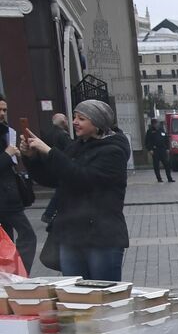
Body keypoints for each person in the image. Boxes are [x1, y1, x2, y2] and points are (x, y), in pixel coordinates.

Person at [19, 100, 128, 280]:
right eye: (75, 117)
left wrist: (49, 151)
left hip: (101, 238)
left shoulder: (113, 151)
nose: (75, 121)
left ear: (98, 122)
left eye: (82, 118)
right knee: (74, 298)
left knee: (104, 296)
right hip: (71, 236)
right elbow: (53, 178)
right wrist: (31, 158)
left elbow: (82, 178)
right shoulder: (76, 146)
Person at [0, 94, 37, 274]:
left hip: (10, 198)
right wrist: (7, 155)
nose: (2, 114)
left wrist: (17, 155)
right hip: (5, 200)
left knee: (8, 241)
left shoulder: (6, 131)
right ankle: (19, 275)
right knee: (27, 235)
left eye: (4, 110)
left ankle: (12, 275)